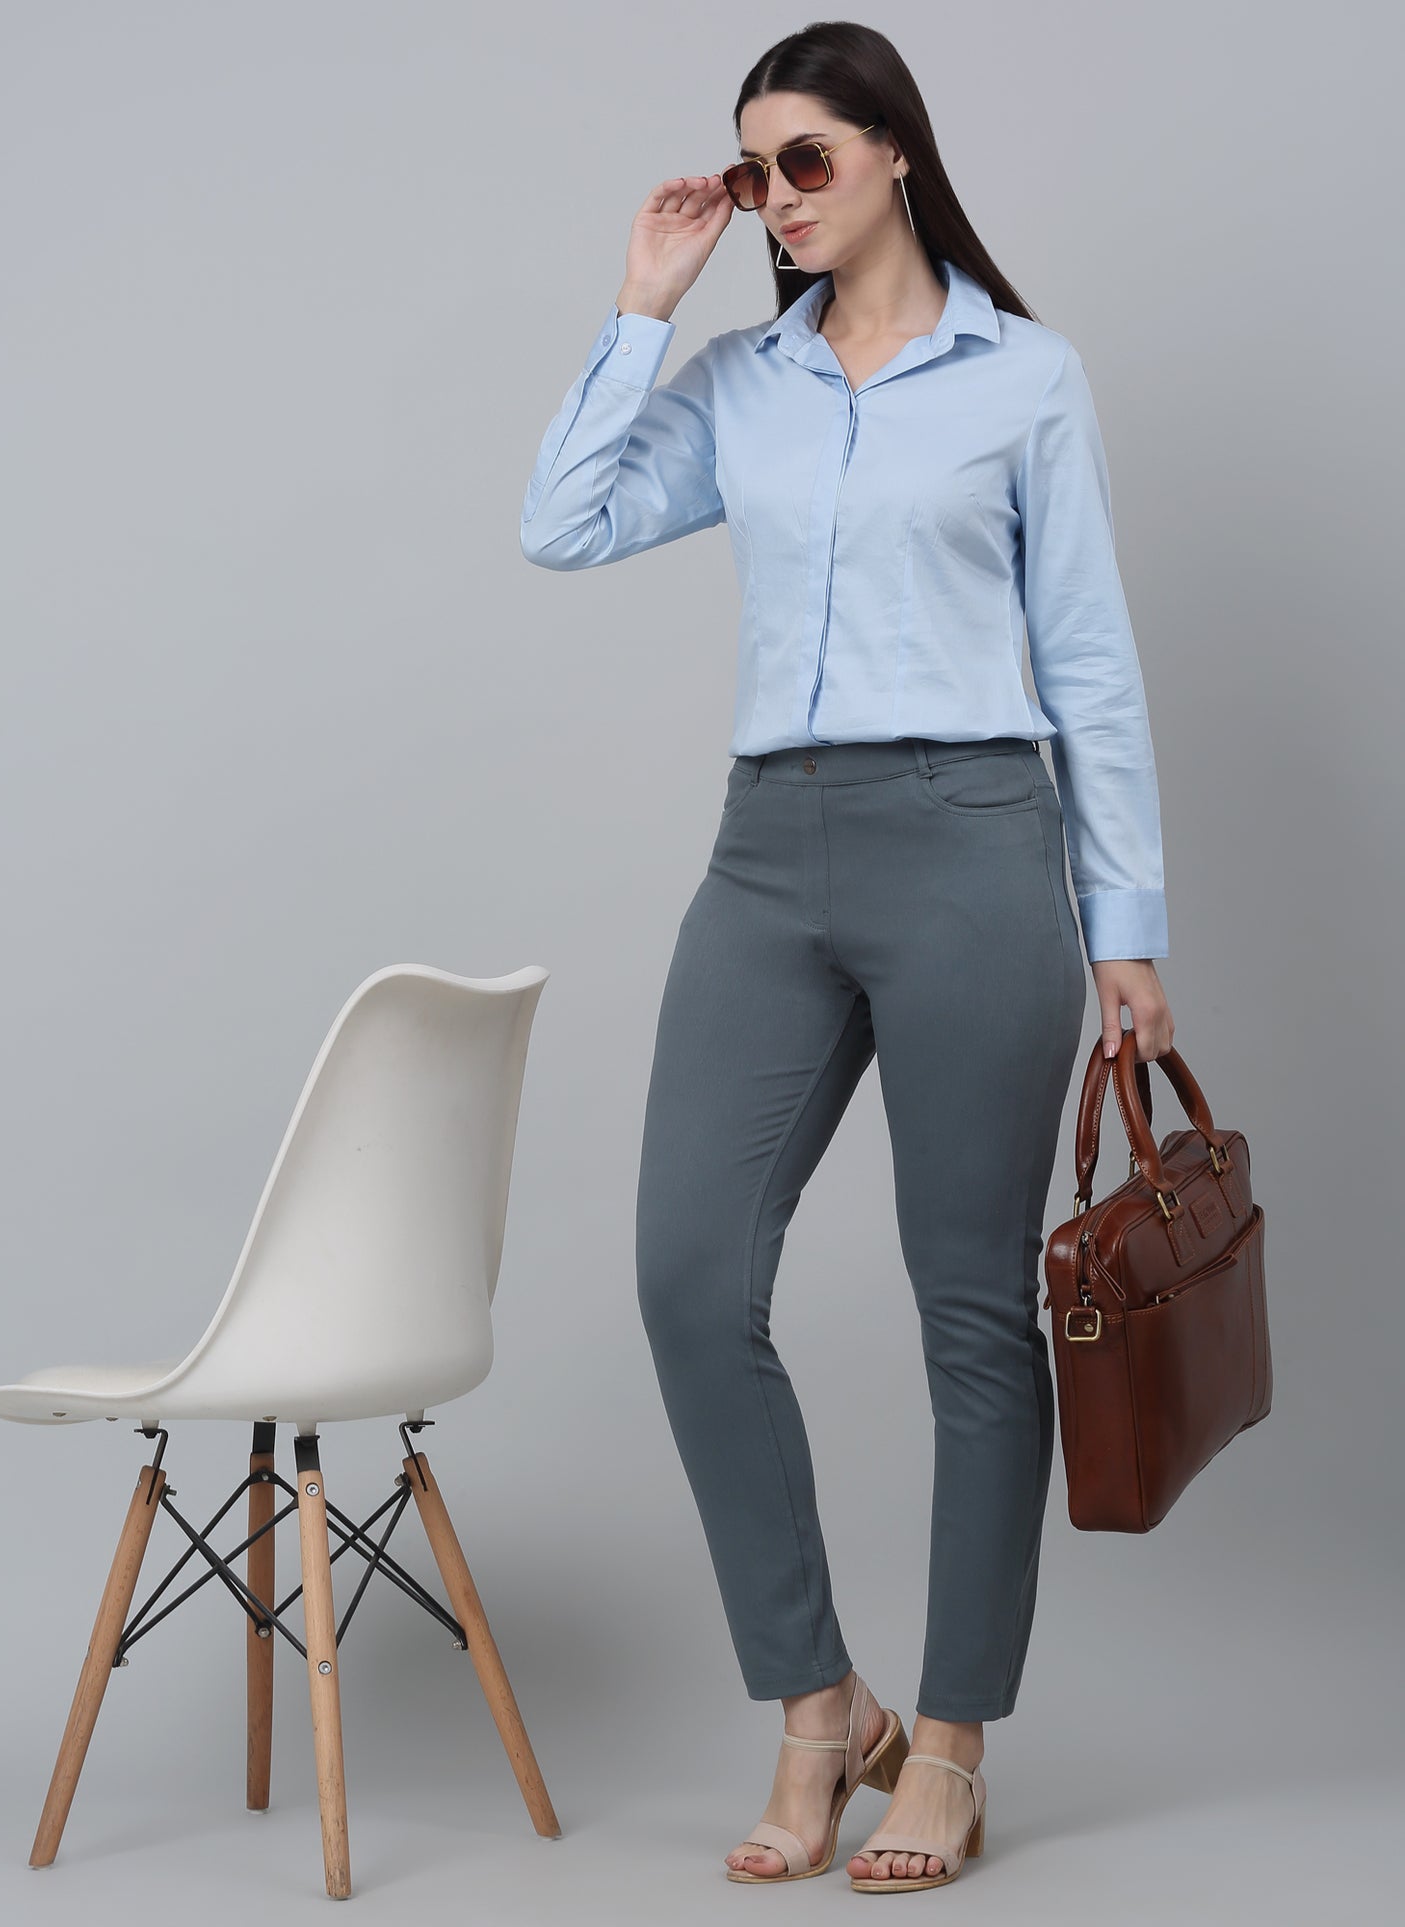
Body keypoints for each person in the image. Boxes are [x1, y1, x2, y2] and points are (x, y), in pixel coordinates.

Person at [519, 19, 1175, 1895]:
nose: (775, 199)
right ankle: (822, 1708)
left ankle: (948, 1742)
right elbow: (561, 524)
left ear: (893, 150)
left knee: (968, 1307)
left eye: (802, 159)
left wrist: (1127, 927)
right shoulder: (745, 382)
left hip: (972, 843)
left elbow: (1088, 658)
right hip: (769, 853)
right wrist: (644, 303)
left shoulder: (1021, 376)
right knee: (685, 1276)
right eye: (752, 173)